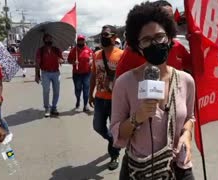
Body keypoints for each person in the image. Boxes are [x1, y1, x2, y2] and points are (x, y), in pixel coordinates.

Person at [111, 2, 195, 180]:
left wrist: (187, 134)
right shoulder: (124, 83)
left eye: (159, 37)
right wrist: (137, 117)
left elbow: (189, 118)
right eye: (146, 40)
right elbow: (117, 134)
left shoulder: (186, 81)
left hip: (179, 168)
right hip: (139, 171)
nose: (155, 43)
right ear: (138, 46)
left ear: (170, 38)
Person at [115, 0, 192, 79]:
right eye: (162, 18)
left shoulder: (178, 47)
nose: (168, 22)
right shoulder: (134, 51)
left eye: (171, 18)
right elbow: (118, 80)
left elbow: (197, 68)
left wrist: (196, 44)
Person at [89, 25, 123, 170]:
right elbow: (93, 75)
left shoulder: (122, 55)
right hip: (100, 98)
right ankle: (114, 141)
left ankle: (114, 155)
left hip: (116, 99)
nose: (103, 37)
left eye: (106, 35)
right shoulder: (96, 55)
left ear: (115, 37)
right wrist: (90, 93)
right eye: (102, 35)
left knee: (114, 128)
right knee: (98, 126)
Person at [35, 34, 63, 117]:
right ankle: (47, 108)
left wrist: (61, 60)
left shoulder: (56, 49)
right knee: (46, 91)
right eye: (47, 39)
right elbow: (37, 63)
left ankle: (54, 107)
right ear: (44, 40)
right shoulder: (40, 50)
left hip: (56, 73)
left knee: (57, 91)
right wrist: (37, 75)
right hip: (45, 73)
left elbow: (61, 59)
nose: (49, 40)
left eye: (50, 38)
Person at [68, 35, 93, 112]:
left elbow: (92, 58)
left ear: (84, 41)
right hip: (77, 74)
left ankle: (85, 105)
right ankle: (78, 99)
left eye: (82, 40)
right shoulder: (73, 51)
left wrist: (91, 61)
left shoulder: (89, 50)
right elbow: (69, 60)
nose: (81, 41)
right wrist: (73, 62)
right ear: (77, 41)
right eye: (79, 40)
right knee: (78, 89)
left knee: (86, 90)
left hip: (87, 73)